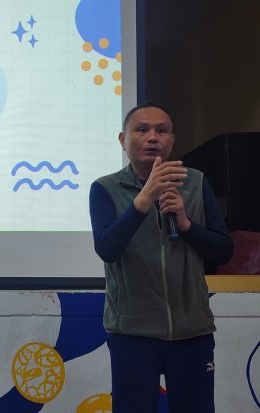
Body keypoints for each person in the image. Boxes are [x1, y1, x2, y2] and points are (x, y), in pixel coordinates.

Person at [89, 102, 234, 413]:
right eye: (142, 129)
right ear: (123, 140)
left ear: (172, 140)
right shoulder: (104, 189)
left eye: (162, 130)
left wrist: (186, 225)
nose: (152, 137)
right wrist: (144, 200)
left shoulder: (195, 182)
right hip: (132, 333)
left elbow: (223, 251)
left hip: (192, 332)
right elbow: (107, 248)